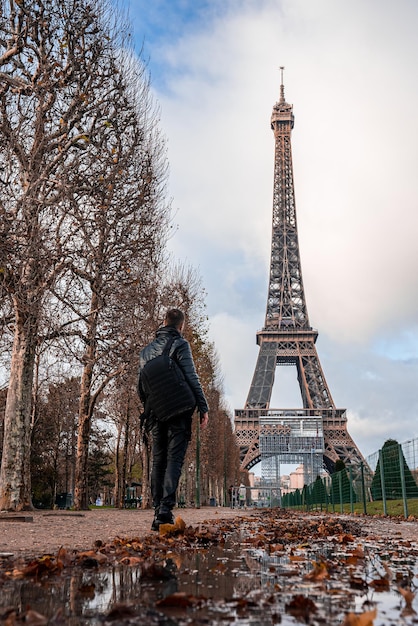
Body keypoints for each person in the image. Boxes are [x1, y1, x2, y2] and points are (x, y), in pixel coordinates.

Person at [137, 308, 209, 530]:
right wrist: (203, 407)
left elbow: (142, 387)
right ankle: (166, 509)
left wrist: (149, 409)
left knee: (158, 460)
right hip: (178, 410)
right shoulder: (180, 344)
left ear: (163, 322)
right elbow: (191, 377)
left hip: (155, 412)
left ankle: (158, 510)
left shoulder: (146, 352)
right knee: (174, 459)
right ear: (181, 326)